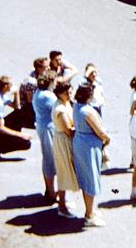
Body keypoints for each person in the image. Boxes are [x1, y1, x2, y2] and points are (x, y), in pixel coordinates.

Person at [72, 83, 111, 227]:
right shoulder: (88, 111)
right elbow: (100, 132)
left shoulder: (76, 106)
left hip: (80, 143)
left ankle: (90, 210)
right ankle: (89, 215)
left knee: (86, 179)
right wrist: (108, 139)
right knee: (91, 179)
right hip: (89, 146)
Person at [0, 76, 31, 158]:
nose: (13, 85)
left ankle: (7, 140)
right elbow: (0, 128)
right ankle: (0, 148)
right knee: (26, 143)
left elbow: (17, 107)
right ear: (6, 86)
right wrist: (20, 135)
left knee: (19, 113)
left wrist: (16, 93)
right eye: (11, 84)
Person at [52, 81, 79, 218]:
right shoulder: (60, 109)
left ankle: (63, 201)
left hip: (65, 140)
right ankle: (61, 207)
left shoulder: (66, 103)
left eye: (70, 92)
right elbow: (69, 130)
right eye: (65, 93)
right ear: (58, 94)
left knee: (65, 171)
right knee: (64, 172)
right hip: (63, 141)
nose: (69, 95)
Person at [33, 70, 59, 204]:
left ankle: (49, 190)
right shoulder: (49, 96)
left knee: (47, 158)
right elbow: (58, 110)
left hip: (42, 127)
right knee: (50, 160)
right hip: (49, 128)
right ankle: (52, 193)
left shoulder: (38, 93)